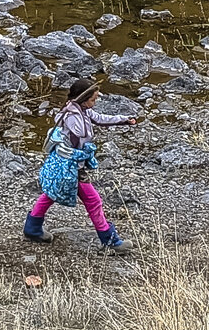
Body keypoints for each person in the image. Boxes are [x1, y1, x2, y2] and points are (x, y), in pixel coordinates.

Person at [24, 79, 133, 249]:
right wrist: (75, 111)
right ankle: (110, 240)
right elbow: (80, 131)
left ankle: (32, 227)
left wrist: (123, 120)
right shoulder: (72, 116)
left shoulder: (82, 111)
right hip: (71, 166)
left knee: (51, 193)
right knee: (93, 201)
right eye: (93, 100)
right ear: (83, 100)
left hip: (69, 164)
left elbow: (100, 118)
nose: (94, 103)